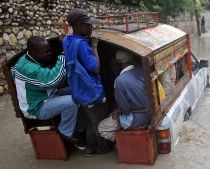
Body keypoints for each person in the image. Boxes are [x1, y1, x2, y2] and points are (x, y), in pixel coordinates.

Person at [63, 8, 112, 156]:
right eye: (88, 25)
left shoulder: (66, 40)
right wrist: (95, 46)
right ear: (78, 26)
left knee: (90, 119)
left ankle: (90, 148)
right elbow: (95, 68)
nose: (91, 27)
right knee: (99, 120)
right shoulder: (83, 45)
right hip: (91, 90)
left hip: (78, 89)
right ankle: (102, 149)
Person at [13, 36, 78, 142]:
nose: (50, 54)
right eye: (46, 52)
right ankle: (65, 132)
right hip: (37, 107)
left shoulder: (28, 59)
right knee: (72, 101)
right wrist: (64, 53)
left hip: (48, 94)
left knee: (78, 91)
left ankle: (79, 128)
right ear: (34, 53)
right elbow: (53, 80)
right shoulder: (27, 68)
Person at [98, 49, 150, 141]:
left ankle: (124, 142)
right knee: (113, 115)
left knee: (102, 127)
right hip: (150, 113)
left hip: (135, 119)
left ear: (118, 64)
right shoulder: (142, 70)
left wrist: (118, 110)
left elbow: (125, 109)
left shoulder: (119, 80)